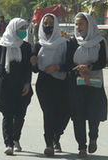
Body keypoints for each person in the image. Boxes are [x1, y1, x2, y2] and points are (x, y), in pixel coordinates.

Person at [0, 18, 33, 156]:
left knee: (20, 116)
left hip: (22, 86)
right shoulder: (3, 45)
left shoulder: (26, 46)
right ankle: (9, 144)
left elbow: (28, 67)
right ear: (14, 29)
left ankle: (16, 139)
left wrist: (27, 83)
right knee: (7, 115)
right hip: (6, 87)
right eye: (21, 29)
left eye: (25, 28)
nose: (23, 31)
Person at [66, 12, 108, 158]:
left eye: (81, 24)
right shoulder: (72, 42)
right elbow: (68, 62)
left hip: (94, 84)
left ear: (89, 25)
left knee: (93, 114)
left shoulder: (99, 41)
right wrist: (79, 71)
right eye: (76, 24)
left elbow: (103, 61)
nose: (78, 27)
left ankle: (93, 138)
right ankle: (81, 147)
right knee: (78, 116)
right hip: (77, 84)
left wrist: (89, 68)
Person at [30, 13, 70, 157]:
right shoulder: (38, 44)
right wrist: (33, 63)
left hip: (61, 83)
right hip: (44, 83)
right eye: (45, 24)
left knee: (64, 113)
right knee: (49, 113)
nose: (48, 27)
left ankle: (56, 136)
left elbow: (70, 64)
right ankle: (49, 144)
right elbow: (34, 69)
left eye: (51, 24)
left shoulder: (64, 43)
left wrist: (57, 67)